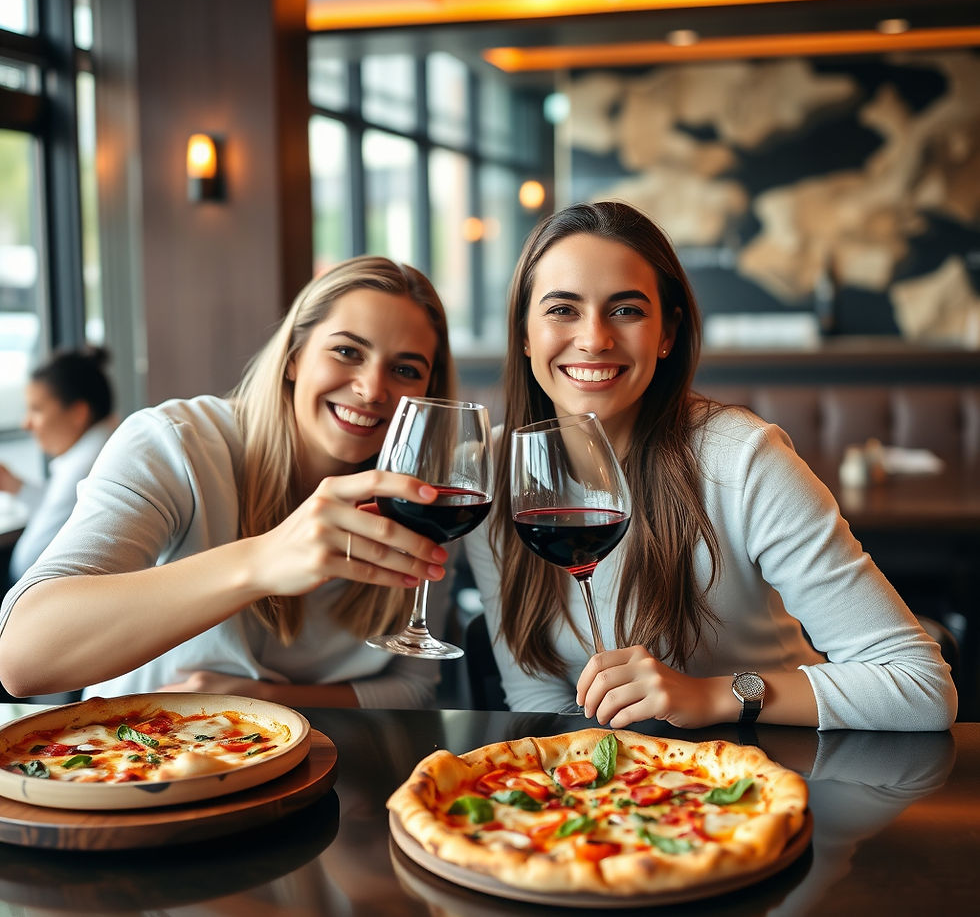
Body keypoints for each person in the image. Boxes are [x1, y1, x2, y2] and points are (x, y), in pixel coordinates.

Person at [463, 201, 957, 731]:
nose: (594, 338)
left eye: (626, 310)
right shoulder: (490, 475)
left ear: (667, 334)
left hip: (780, 769)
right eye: (562, 309)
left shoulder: (743, 460)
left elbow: (922, 687)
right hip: (630, 794)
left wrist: (713, 696)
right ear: (523, 333)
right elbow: (537, 699)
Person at [0, 256, 455, 708]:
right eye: (347, 352)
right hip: (129, 762)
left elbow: (413, 686)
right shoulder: (176, 444)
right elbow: (23, 656)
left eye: (405, 370)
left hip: (308, 772)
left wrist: (261, 698)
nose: (373, 389)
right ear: (294, 356)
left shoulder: (423, 500)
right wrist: (262, 559)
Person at [0, 346, 116, 586]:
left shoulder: (86, 466)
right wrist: (16, 486)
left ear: (78, 413)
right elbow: (60, 514)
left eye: (37, 409)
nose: (26, 424)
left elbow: (34, 553)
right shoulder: (97, 448)